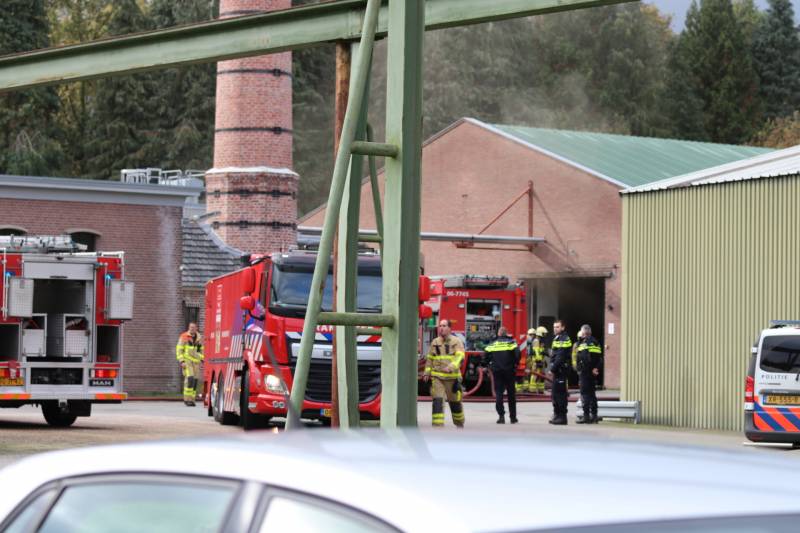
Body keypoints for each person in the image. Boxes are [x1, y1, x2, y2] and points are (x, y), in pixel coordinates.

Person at [423, 319, 465, 428]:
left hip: (452, 378)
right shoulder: (435, 342)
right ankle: (438, 425)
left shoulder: (456, 341)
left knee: (455, 402)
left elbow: (460, 357)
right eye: (440, 326)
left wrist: (451, 367)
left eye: (444, 326)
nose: (441, 328)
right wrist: (427, 372)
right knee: (437, 401)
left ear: (449, 328)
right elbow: (430, 358)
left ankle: (459, 423)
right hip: (437, 377)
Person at [483, 326, 521, 424]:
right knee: (511, 395)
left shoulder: (493, 343)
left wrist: (487, 365)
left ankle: (501, 417)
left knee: (499, 394)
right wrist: (515, 363)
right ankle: (513, 418)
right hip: (510, 371)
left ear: (499, 334)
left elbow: (485, 355)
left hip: (497, 371)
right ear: (506, 333)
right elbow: (518, 354)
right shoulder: (512, 342)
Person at [575, 324, 603, 424]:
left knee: (585, 394)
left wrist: (584, 369)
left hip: (585, 372)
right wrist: (596, 368)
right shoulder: (596, 342)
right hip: (593, 373)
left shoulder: (584, 344)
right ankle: (594, 416)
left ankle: (586, 416)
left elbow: (585, 358)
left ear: (583, 333)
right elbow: (600, 359)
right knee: (592, 394)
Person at [548, 319, 572, 425]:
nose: (555, 328)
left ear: (563, 327)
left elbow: (560, 357)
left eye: (557, 327)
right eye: (554, 327)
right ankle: (557, 415)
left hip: (561, 370)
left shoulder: (564, 339)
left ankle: (562, 417)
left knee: (560, 395)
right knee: (554, 394)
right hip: (557, 370)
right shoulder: (557, 338)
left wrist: (552, 369)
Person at [176, 322, 204, 406]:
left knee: (195, 381)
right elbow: (179, 350)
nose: (192, 329)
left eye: (193, 327)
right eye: (190, 327)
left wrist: (202, 360)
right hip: (187, 362)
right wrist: (182, 361)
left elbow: (202, 350)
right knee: (190, 379)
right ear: (189, 328)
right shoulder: (184, 336)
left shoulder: (199, 338)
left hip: (196, 362)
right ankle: (187, 399)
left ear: (196, 328)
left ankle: (192, 400)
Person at [527, 326, 548, 394]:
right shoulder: (536, 341)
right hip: (536, 361)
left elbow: (541, 351)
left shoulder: (540, 341)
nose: (545, 335)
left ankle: (540, 390)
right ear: (540, 333)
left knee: (541, 375)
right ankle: (532, 390)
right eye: (544, 333)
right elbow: (536, 352)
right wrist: (538, 361)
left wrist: (544, 361)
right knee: (535, 375)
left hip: (540, 361)